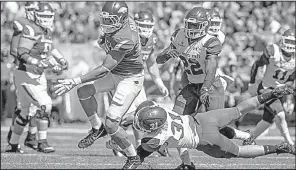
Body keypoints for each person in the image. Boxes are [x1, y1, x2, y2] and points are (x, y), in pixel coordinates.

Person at [53, 2, 144, 169]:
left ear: (122, 20)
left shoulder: (126, 37)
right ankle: (97, 128)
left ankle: (133, 157)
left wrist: (74, 80)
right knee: (84, 92)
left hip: (130, 78)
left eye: (111, 20)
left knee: (112, 124)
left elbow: (104, 69)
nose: (106, 24)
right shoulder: (122, 24)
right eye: (106, 19)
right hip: (118, 73)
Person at [156, 7, 248, 169]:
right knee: (176, 123)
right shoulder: (179, 35)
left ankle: (245, 135)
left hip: (211, 86)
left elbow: (211, 68)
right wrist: (167, 55)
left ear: (205, 26)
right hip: (191, 86)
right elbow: (159, 59)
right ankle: (186, 163)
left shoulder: (210, 42)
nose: (191, 29)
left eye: (195, 25)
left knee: (214, 127)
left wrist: (205, 88)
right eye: (189, 25)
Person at [130, 84, 295, 169]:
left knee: (239, 152)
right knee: (240, 109)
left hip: (204, 139)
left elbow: (137, 158)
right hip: (204, 119)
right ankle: (271, 94)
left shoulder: (154, 139)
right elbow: (147, 106)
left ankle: (279, 148)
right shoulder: (163, 110)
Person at [5, 2, 68, 153]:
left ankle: (13, 144)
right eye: (43, 16)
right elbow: (19, 52)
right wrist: (38, 62)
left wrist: (58, 61)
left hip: (36, 75)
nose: (46, 19)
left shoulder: (45, 30)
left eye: (49, 16)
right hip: (26, 74)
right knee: (44, 104)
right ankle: (42, 141)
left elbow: (48, 48)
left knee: (26, 111)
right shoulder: (28, 28)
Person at [106, 10, 169, 157]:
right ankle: (116, 141)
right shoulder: (129, 38)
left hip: (136, 81)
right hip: (120, 80)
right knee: (129, 116)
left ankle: (139, 145)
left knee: (142, 113)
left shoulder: (151, 39)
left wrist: (159, 82)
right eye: (142, 26)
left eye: (148, 26)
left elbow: (151, 62)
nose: (146, 30)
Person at [243, 29, 295, 146]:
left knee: (268, 120)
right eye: (288, 42)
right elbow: (257, 65)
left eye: (293, 43)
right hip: (266, 88)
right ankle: (290, 144)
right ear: (282, 40)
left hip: (281, 90)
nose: (290, 45)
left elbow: (291, 79)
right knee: (280, 115)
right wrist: (252, 83)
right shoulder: (273, 50)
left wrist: (288, 94)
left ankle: (249, 139)